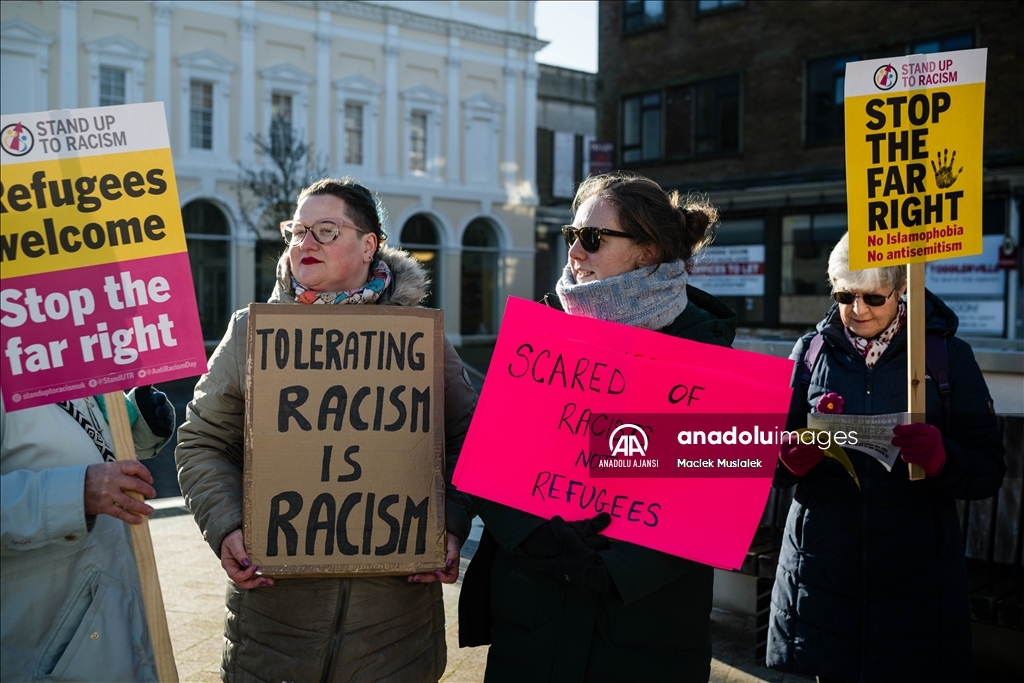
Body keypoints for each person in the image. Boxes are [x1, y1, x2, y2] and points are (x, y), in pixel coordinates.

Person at [175, 177, 477, 683]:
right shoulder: (252, 332)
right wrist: (226, 524)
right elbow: (202, 440)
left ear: (368, 245)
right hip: (275, 631)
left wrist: (451, 523)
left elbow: (469, 441)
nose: (304, 243)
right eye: (297, 231)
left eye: (325, 230)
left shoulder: (422, 338)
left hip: (394, 635)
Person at [461, 172, 735, 682]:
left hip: (641, 626)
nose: (575, 254)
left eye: (592, 239)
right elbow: (489, 458)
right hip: (535, 616)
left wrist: (616, 569)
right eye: (572, 236)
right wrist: (539, 541)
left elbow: (717, 491)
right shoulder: (538, 342)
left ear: (648, 249)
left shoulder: (709, 355)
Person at [766, 233, 1006, 683]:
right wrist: (787, 463)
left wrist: (943, 460)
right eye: (844, 296)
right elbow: (764, 463)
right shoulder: (810, 352)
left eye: (874, 297)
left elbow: (989, 470)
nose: (858, 310)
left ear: (902, 291)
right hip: (822, 573)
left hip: (915, 576)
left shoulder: (946, 357)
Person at [1, 387, 174, 682]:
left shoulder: (62, 355)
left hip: (112, 631)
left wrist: (138, 425)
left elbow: (82, 440)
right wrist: (76, 493)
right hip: (41, 649)